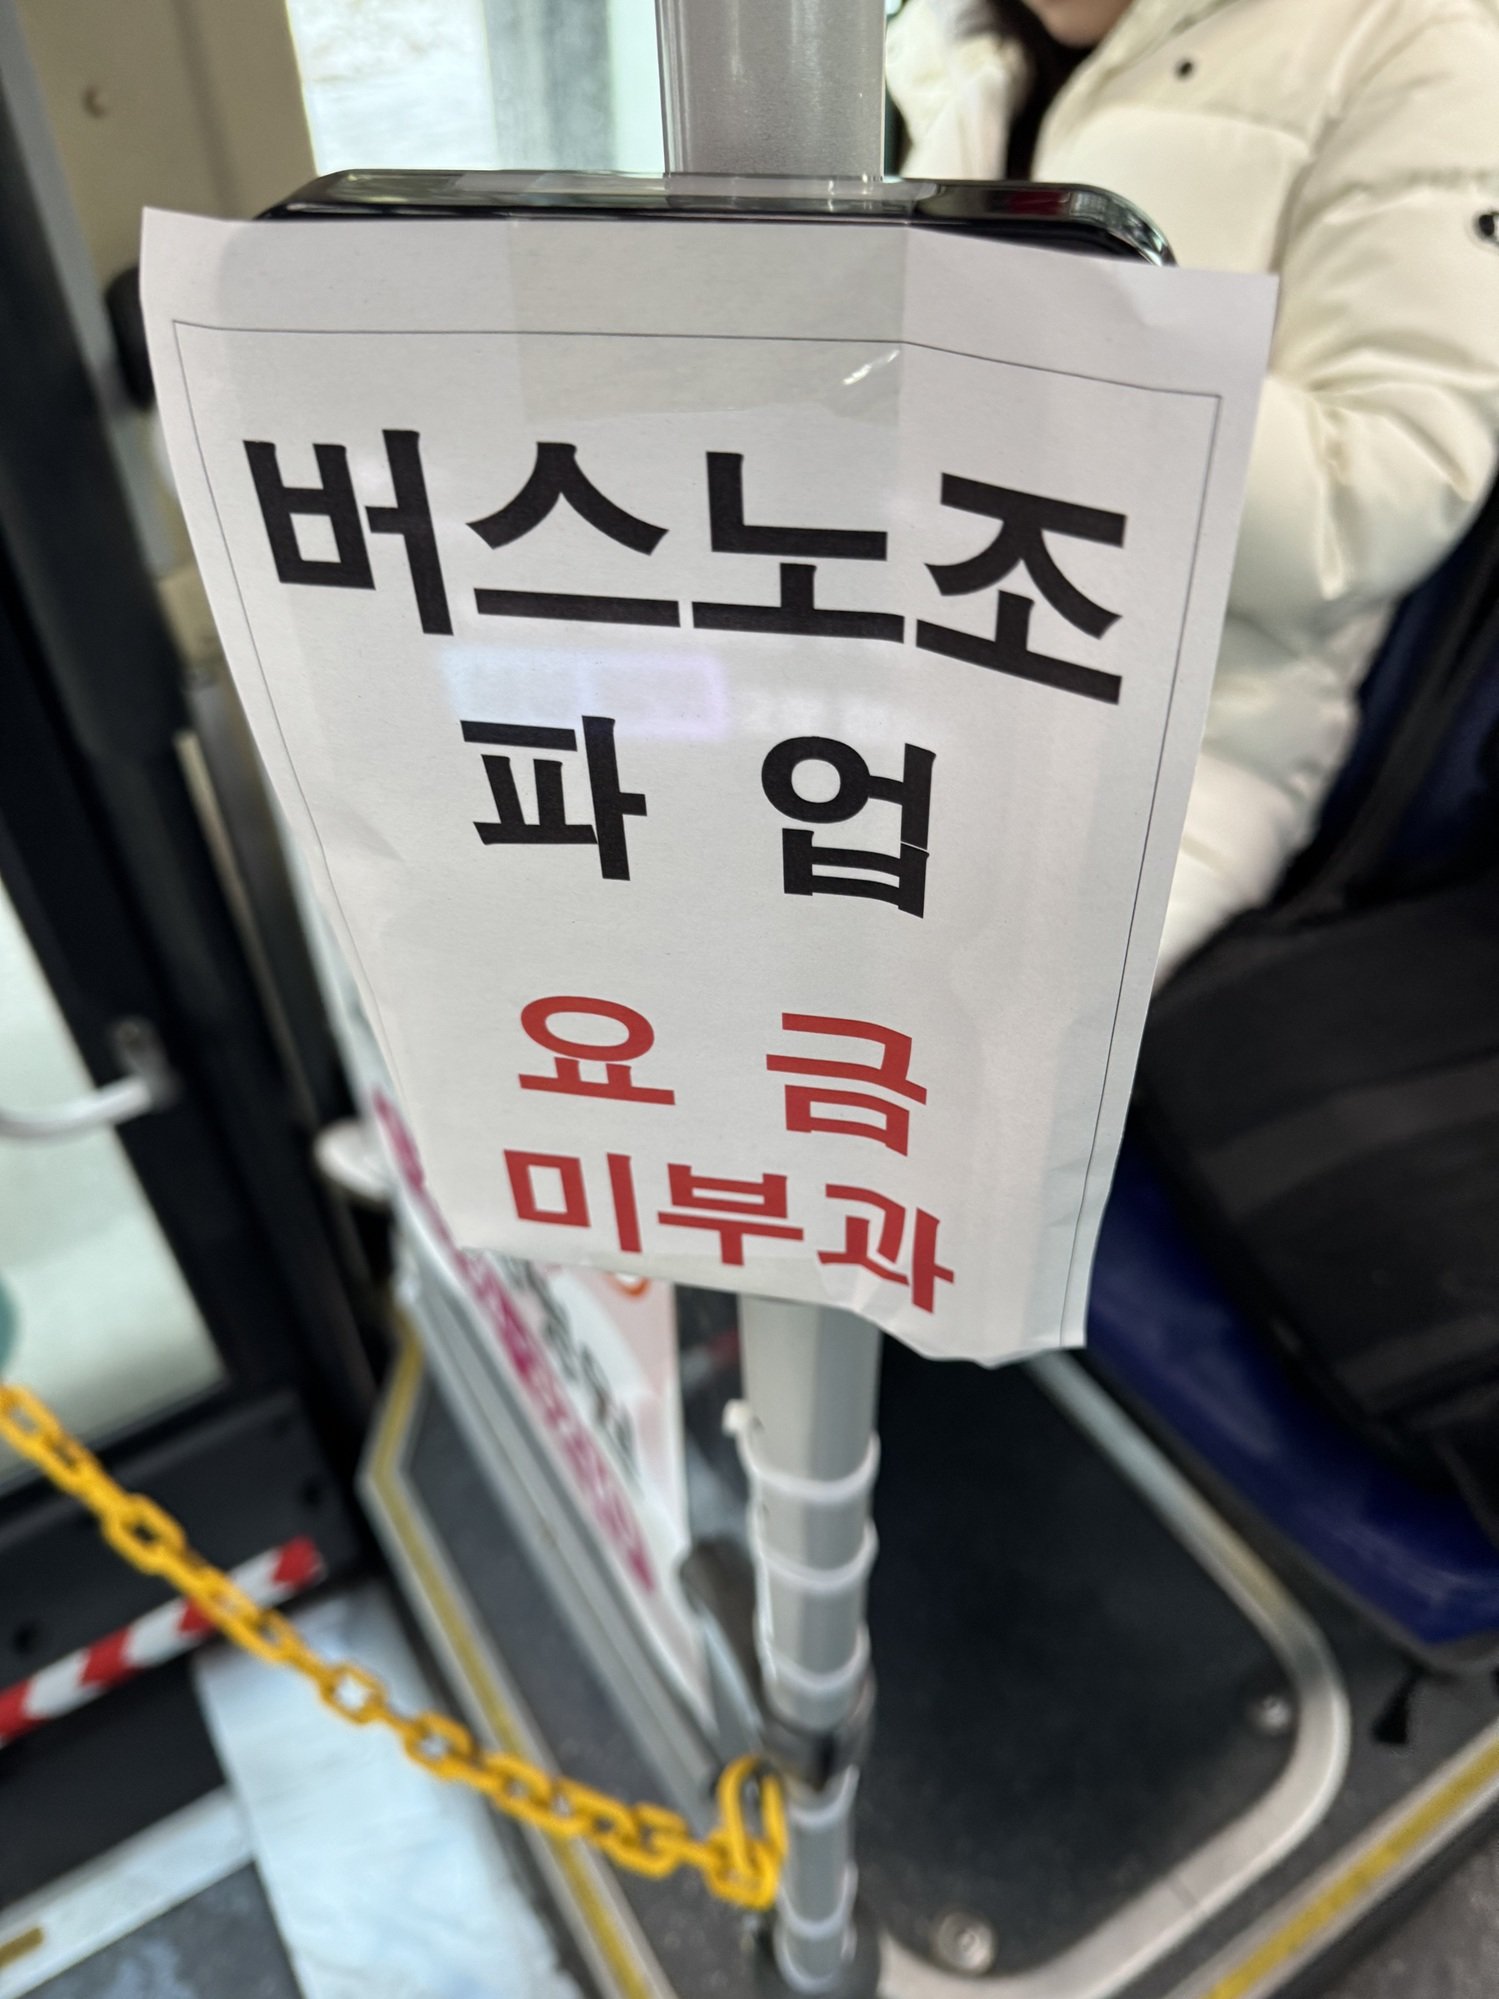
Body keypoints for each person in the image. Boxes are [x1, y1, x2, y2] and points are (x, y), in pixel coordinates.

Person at [888, 0, 1499, 980]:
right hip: (901, 667)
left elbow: (1362, 508)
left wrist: (1032, 343)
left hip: (1172, 745)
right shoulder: (950, 44)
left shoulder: (1411, 44)